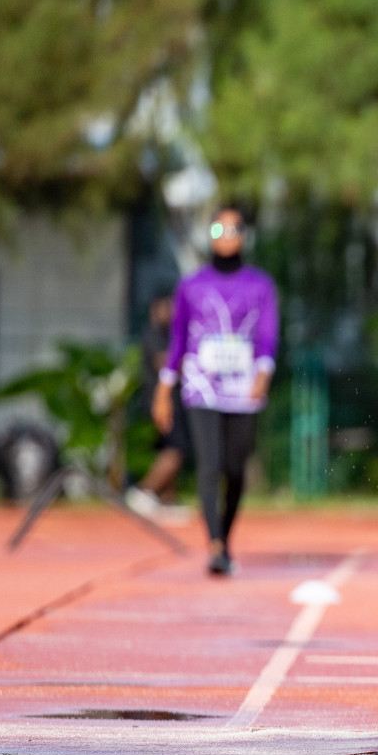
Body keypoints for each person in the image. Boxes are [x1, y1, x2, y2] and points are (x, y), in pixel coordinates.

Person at [152, 207, 278, 575]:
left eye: (234, 227)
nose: (226, 233)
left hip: (243, 388)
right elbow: (177, 339)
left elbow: (268, 334)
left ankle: (226, 533)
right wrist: (165, 386)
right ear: (210, 234)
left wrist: (263, 372)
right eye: (219, 227)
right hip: (201, 386)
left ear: (244, 235)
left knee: (234, 468)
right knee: (209, 464)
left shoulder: (260, 285)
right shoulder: (191, 285)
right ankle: (216, 545)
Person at [125, 294, 191, 524]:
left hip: (177, 401)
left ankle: (167, 500)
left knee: (170, 448)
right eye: (166, 306)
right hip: (160, 402)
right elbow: (166, 361)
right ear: (155, 308)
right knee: (176, 449)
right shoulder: (151, 335)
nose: (171, 311)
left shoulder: (174, 335)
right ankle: (143, 491)